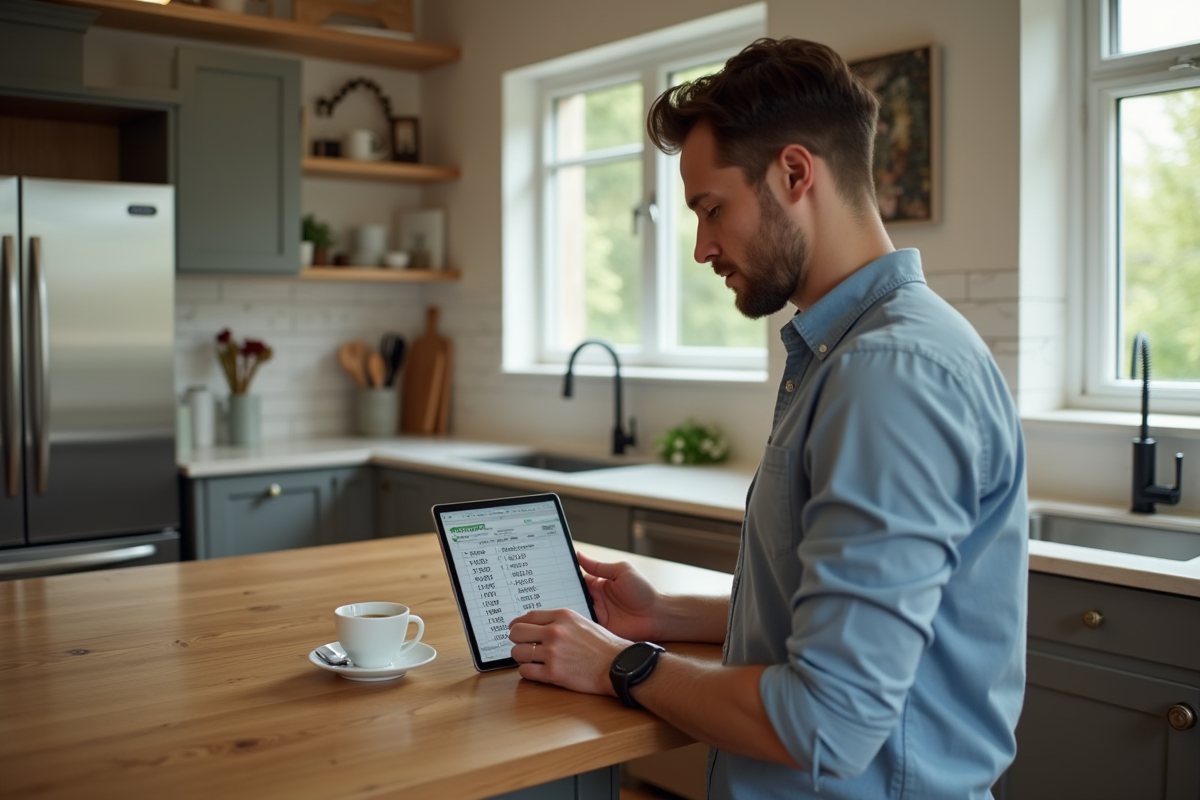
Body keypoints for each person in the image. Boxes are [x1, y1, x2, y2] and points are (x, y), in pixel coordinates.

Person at [508, 37, 1027, 800]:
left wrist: (617, 662)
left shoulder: (888, 375)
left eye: (712, 209)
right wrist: (663, 615)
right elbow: (841, 622)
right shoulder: (852, 352)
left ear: (793, 173)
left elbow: (828, 720)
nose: (700, 247)